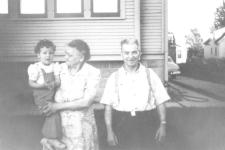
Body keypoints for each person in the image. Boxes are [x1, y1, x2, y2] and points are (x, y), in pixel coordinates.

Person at [100, 38, 170, 150]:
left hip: (147, 122)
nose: (130, 56)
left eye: (134, 52)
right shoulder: (114, 77)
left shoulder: (150, 74)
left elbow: (160, 101)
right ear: (121, 55)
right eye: (126, 53)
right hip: (122, 123)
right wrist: (109, 131)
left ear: (139, 54)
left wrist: (163, 124)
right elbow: (108, 106)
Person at [41, 39, 101, 150]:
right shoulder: (59, 69)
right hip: (59, 126)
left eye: (70, 55)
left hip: (81, 127)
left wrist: (57, 106)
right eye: (65, 54)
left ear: (81, 58)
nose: (65, 57)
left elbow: (86, 102)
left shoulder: (92, 72)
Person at [27, 39, 66, 150]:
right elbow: (31, 83)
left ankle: (47, 139)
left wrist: (54, 83)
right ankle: (52, 139)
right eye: (44, 53)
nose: (48, 56)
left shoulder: (55, 66)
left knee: (57, 111)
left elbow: (58, 81)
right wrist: (43, 85)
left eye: (51, 53)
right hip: (41, 96)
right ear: (38, 55)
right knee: (51, 112)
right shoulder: (35, 68)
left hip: (52, 95)